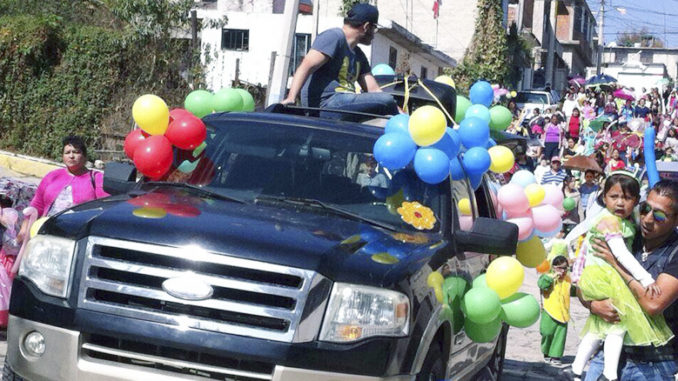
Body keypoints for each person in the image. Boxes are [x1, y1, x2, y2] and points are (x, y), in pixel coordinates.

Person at [570, 174, 673, 381]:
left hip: (652, 365)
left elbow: (653, 304)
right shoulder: (627, 232)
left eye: (660, 216)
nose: (648, 219)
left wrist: (616, 265)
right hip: (607, 356)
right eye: (645, 209)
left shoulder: (674, 252)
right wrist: (593, 305)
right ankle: (577, 369)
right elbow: (584, 286)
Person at [281, 3, 398, 120]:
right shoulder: (333, 37)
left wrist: (401, 114)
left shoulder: (359, 55)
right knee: (385, 100)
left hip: (343, 103)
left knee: (385, 103)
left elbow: (374, 90)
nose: (374, 34)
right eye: (374, 28)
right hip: (325, 104)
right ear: (366, 26)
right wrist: (291, 97)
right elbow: (306, 67)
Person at [18, 136, 108, 238]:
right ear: (62, 156)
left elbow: (106, 207)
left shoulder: (96, 178)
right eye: (67, 152)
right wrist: (25, 227)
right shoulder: (53, 176)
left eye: (76, 152)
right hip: (45, 231)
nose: (71, 156)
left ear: (85, 156)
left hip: (77, 234)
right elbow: (37, 204)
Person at [538, 254, 572, 366]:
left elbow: (574, 291)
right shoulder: (548, 277)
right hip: (549, 311)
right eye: (560, 268)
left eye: (565, 268)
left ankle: (556, 356)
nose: (563, 271)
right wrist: (553, 276)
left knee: (560, 337)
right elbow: (542, 284)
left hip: (563, 314)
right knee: (547, 332)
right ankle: (546, 352)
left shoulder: (568, 280)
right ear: (554, 267)